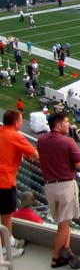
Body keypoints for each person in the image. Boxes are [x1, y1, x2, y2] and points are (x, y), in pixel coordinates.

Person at [38, 111, 80, 269]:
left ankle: (67, 250)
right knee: (64, 225)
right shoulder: (68, 142)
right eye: (66, 122)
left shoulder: (41, 140)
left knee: (64, 222)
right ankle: (56, 258)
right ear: (58, 125)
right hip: (65, 186)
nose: (68, 124)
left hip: (49, 186)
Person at [0, 110, 39, 258]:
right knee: (6, 217)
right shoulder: (15, 136)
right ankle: (6, 250)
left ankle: (10, 241)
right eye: (22, 120)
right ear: (16, 122)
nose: (23, 122)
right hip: (5, 181)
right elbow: (34, 154)